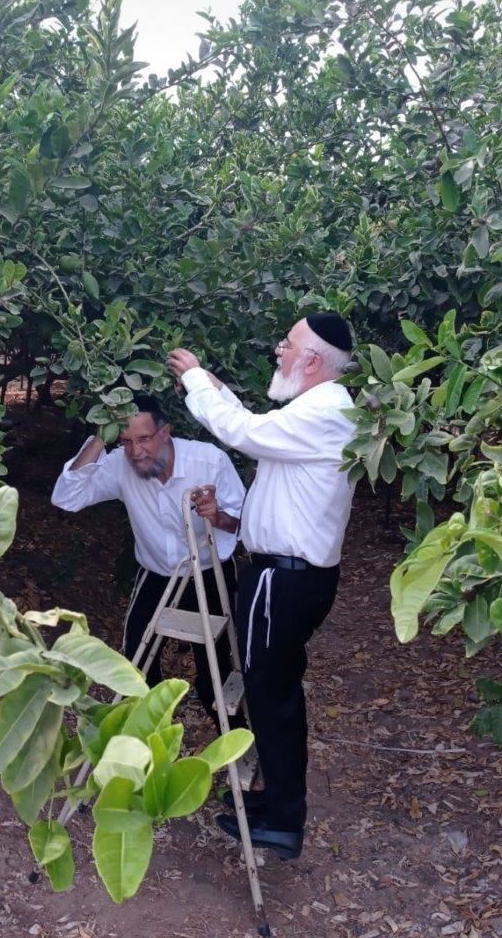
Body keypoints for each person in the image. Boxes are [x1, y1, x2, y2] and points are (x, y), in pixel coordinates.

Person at [167, 312, 356, 861]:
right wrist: (219, 389)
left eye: (288, 343)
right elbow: (260, 427)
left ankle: (283, 821)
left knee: (271, 698)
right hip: (282, 579)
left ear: (313, 360)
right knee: (275, 694)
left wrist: (198, 380)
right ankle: (275, 802)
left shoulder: (325, 412)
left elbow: (244, 432)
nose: (279, 349)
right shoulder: (313, 412)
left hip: (283, 582)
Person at [51, 394, 246, 726]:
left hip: (209, 572)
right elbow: (66, 497)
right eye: (125, 440)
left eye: (143, 439)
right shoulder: (119, 463)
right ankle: (150, 743)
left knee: (217, 669)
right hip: (155, 573)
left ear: (165, 432)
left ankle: (234, 745)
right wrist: (102, 437)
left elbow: (245, 524)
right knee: (136, 662)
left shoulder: (208, 461)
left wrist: (219, 516)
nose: (136, 451)